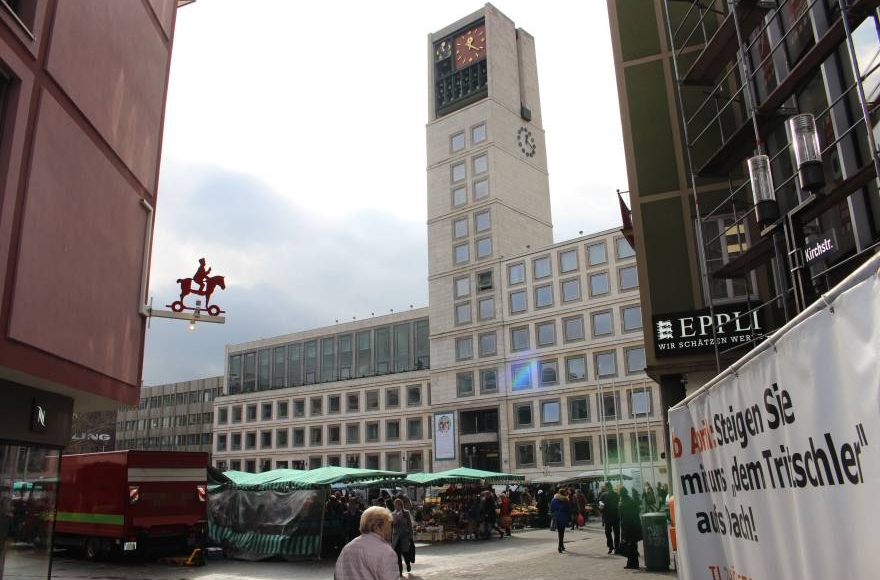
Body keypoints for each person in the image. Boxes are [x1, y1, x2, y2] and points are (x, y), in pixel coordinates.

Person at [334, 506, 399, 580]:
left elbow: (337, 575)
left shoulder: (347, 548)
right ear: (377, 527)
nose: (391, 530)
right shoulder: (386, 551)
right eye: (389, 525)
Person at [619, 488, 642, 569]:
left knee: (629, 546)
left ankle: (632, 564)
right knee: (633, 545)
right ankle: (633, 563)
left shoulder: (623, 503)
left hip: (628, 528)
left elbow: (622, 517)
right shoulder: (631, 500)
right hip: (634, 526)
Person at [391, 498, 415, 576]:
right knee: (398, 556)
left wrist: (411, 537)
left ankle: (408, 564)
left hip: (405, 537)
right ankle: (400, 572)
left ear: (401, 505)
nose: (397, 506)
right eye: (396, 504)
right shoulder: (392, 514)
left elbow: (410, 526)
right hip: (396, 538)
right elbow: (391, 527)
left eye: (399, 504)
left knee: (405, 554)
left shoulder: (406, 513)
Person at [599, 483, 620, 554]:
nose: (607, 488)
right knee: (608, 532)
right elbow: (600, 504)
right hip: (608, 516)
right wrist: (601, 509)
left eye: (607, 487)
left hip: (614, 516)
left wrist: (602, 509)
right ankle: (611, 546)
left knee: (616, 532)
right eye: (606, 487)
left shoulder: (616, 495)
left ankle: (616, 547)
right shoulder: (603, 495)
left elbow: (618, 504)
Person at [550, 488, 572, 553]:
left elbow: (551, 508)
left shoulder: (554, 499)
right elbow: (569, 509)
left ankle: (561, 545)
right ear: (564, 493)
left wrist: (554, 514)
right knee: (562, 532)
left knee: (560, 532)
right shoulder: (566, 500)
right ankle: (560, 546)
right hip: (564, 517)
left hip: (557, 516)